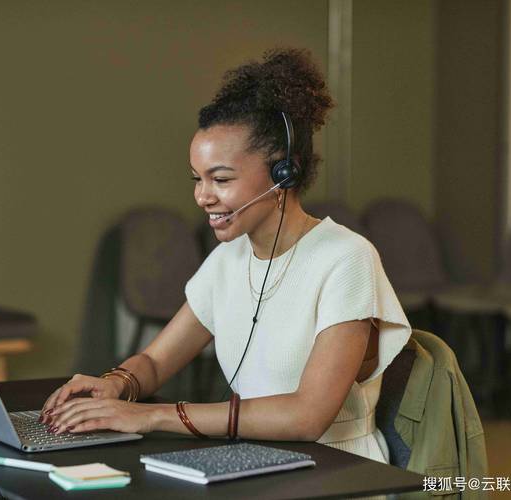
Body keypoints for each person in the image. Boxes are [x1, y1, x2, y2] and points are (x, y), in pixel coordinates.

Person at [40, 47, 411, 463]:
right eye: (198, 179)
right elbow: (154, 362)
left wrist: (151, 416)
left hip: (336, 468)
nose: (202, 196)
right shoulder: (227, 260)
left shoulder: (347, 259)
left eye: (221, 179)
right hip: (253, 462)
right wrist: (115, 385)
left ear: (283, 172)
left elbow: (308, 417)